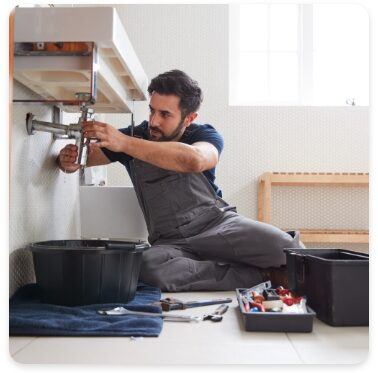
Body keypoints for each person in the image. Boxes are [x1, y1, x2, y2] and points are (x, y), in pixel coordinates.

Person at [57, 69, 300, 291]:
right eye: (152, 110)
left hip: (216, 225)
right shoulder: (137, 135)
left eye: (165, 114)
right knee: (146, 266)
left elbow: (195, 160)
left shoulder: (204, 134)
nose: (154, 121)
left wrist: (125, 143)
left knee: (287, 249)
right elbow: (84, 158)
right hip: (169, 241)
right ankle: (263, 275)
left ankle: (212, 263)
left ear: (189, 118)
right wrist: (68, 160)